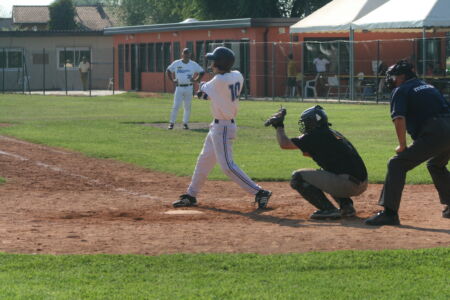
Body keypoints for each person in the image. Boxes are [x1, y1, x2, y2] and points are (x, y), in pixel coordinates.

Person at [172, 47, 272, 209]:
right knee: (204, 160)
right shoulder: (237, 75)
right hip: (218, 125)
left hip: (223, 127)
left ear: (220, 63)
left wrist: (200, 84)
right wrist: (204, 86)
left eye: (214, 62)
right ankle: (191, 195)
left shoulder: (218, 81)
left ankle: (259, 192)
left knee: (227, 166)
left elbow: (203, 93)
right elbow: (209, 90)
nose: (212, 65)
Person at [365, 60, 450, 226]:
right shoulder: (428, 86)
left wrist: (402, 145)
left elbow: (399, 119)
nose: (391, 79)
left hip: (436, 131)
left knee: (396, 164)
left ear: (402, 76)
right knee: (435, 165)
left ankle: (389, 213)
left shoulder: (401, 89)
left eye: (394, 76)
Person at [265, 105, 368, 219]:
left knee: (298, 177)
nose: (305, 125)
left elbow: (285, 144)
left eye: (307, 122)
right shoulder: (332, 133)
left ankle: (328, 210)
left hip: (347, 184)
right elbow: (309, 153)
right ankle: (346, 207)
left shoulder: (315, 135)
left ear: (315, 121)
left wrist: (279, 126)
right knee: (328, 172)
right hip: (361, 183)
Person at [166, 48, 205, 130]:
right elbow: (168, 70)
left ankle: (185, 123)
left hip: (189, 87)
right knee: (176, 106)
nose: (186, 55)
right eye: (185, 53)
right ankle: (171, 123)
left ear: (189, 55)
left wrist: (196, 80)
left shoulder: (193, 64)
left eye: (188, 54)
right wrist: (172, 80)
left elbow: (202, 72)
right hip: (179, 87)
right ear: (182, 54)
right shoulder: (177, 63)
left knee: (187, 106)